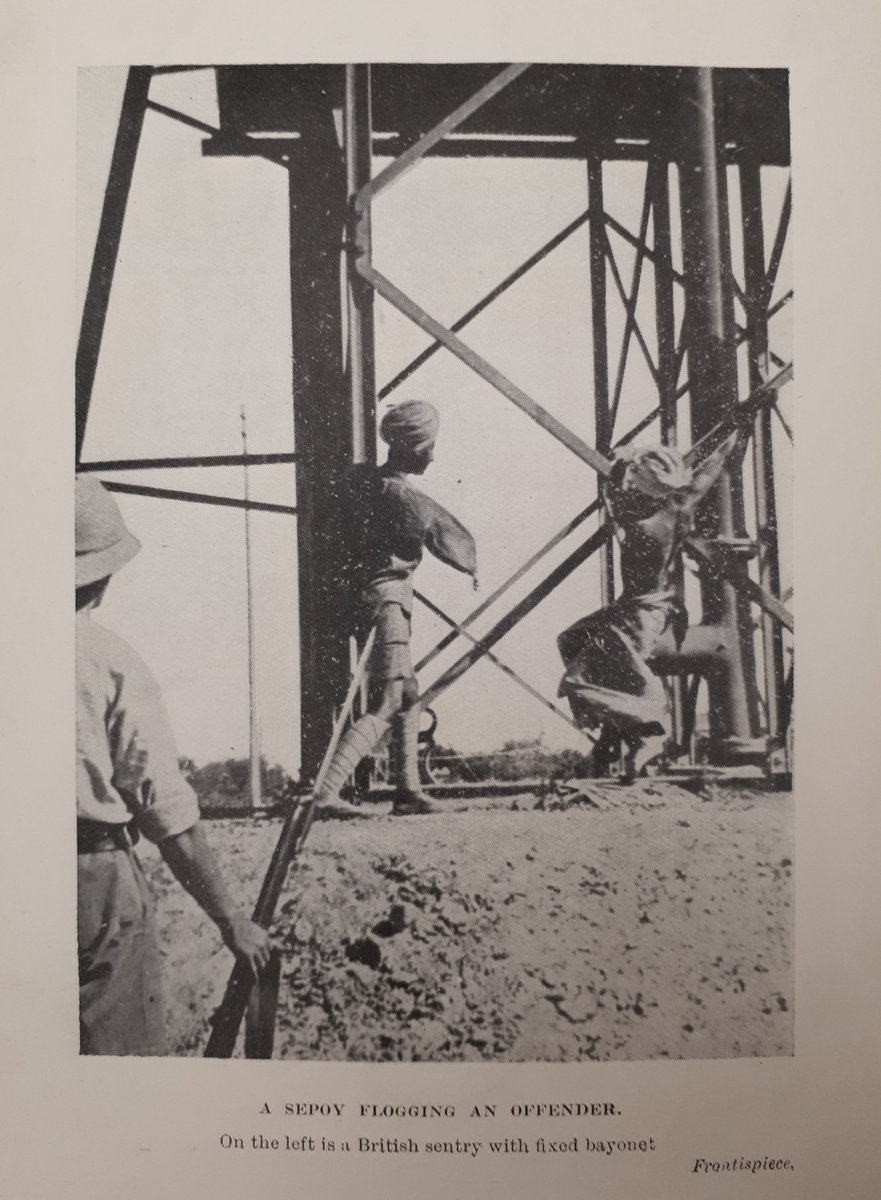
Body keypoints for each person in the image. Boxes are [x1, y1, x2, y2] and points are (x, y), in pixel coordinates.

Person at [75, 475, 272, 1055]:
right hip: (92, 882)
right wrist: (231, 919)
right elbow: (166, 812)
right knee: (116, 1067)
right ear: (104, 577)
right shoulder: (108, 659)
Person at [316, 398, 477, 818]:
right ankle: (326, 792)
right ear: (413, 449)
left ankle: (408, 791)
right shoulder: (405, 498)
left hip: (370, 596)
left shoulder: (361, 482)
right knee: (390, 698)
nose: (433, 454)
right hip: (388, 600)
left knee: (408, 694)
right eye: (429, 446)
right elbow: (446, 539)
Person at [557, 429, 744, 778]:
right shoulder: (674, 513)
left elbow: (614, 493)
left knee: (575, 681)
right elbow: (704, 478)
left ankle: (648, 725)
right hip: (641, 606)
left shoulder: (642, 524)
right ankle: (621, 726)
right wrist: (731, 439)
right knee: (569, 639)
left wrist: (621, 463)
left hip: (638, 616)